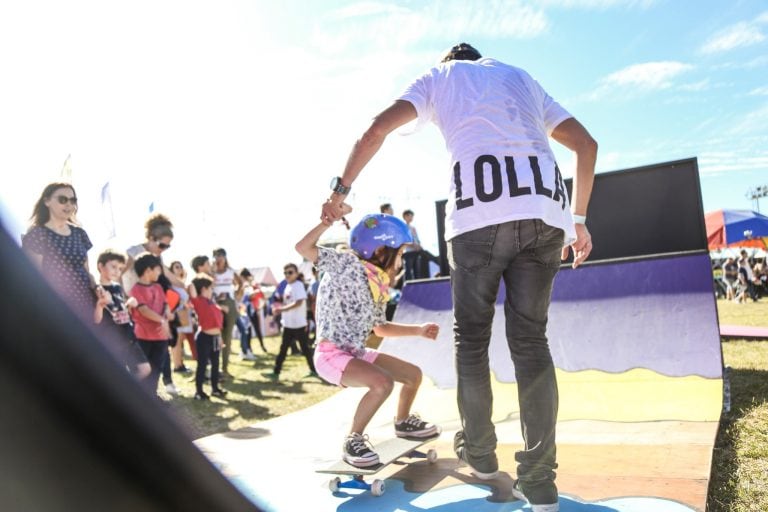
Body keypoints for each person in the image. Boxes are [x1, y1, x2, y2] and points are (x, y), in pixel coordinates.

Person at [320, 43, 597, 511]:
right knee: (531, 343)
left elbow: (376, 130)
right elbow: (586, 145)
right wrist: (580, 218)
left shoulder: (439, 77)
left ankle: (482, 454)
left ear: (450, 60)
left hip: (477, 219)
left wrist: (339, 191)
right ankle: (541, 482)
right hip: (546, 213)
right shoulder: (521, 78)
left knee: (471, 338)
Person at [296, 211, 440, 467]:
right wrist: (328, 221)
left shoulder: (378, 282)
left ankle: (403, 422)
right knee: (382, 383)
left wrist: (418, 330)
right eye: (400, 252)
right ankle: (353, 440)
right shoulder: (346, 265)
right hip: (331, 355)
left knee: (413, 375)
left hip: (355, 353)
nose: (402, 259)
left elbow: (380, 328)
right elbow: (303, 247)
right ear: (382, 249)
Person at [22, 182, 96, 320]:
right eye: (63, 200)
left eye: (73, 200)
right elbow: (34, 278)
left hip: (85, 306)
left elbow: (86, 270)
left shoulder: (80, 233)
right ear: (47, 201)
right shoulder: (37, 235)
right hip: (56, 309)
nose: (69, 204)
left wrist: (97, 289)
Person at [129, 252, 175, 395]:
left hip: (160, 337)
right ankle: (140, 396)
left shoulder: (158, 287)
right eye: (158, 269)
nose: (160, 273)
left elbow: (165, 303)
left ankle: (152, 396)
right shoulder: (136, 289)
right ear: (148, 270)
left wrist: (167, 312)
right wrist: (162, 320)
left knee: (156, 369)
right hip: (143, 336)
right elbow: (144, 310)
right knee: (144, 368)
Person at [267, 263, 317, 380]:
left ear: (296, 273)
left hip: (299, 324)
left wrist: (281, 309)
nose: (287, 275)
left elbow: (299, 302)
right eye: (285, 273)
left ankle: (314, 370)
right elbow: (289, 302)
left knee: (305, 349)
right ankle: (276, 371)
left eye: (290, 272)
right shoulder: (288, 286)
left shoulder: (298, 285)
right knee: (283, 349)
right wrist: (279, 308)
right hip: (288, 324)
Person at [189, 274, 228, 400]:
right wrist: (198, 279)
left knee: (216, 364)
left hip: (216, 338)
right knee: (202, 365)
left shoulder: (212, 302)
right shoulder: (198, 300)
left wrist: (220, 338)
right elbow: (191, 286)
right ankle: (199, 392)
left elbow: (218, 323)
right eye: (211, 288)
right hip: (204, 338)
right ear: (204, 289)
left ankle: (215, 389)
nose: (212, 290)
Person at [212, 248, 243, 377]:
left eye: (220, 255)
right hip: (215, 304)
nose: (218, 258)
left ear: (225, 257)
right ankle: (214, 368)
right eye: (216, 256)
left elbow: (240, 283)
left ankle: (224, 368)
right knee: (214, 336)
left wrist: (235, 294)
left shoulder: (230, 271)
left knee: (227, 337)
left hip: (229, 304)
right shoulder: (211, 271)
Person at [170, 260, 197, 372]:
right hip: (176, 315)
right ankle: (177, 365)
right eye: (176, 267)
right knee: (176, 342)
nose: (179, 269)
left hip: (184, 315)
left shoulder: (182, 284)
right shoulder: (171, 284)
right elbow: (171, 300)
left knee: (180, 340)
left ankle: (180, 363)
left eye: (180, 266)